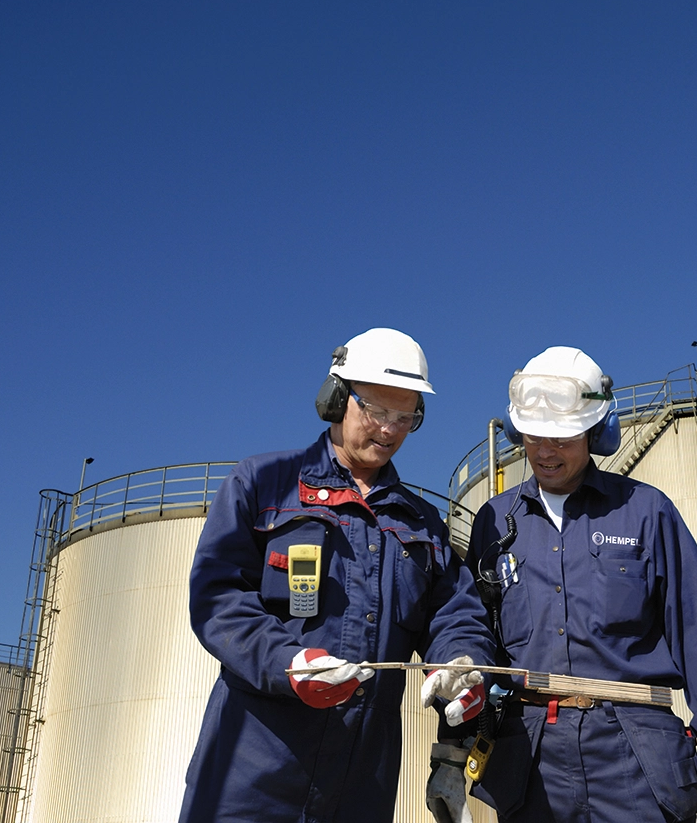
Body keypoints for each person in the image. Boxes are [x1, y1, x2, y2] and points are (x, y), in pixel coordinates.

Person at [179, 328, 497, 823]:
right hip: (250, 776)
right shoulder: (264, 484)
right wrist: (287, 660)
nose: (390, 430)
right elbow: (218, 598)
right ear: (337, 399)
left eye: (405, 416)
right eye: (376, 411)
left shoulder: (422, 525)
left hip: (359, 784)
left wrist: (461, 661)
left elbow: (454, 615)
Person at [453, 346, 697, 823]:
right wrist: (454, 741)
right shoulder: (495, 521)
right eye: (533, 436)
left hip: (637, 757)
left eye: (561, 437)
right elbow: (475, 633)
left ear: (595, 431)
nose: (544, 450)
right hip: (532, 761)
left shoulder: (646, 510)